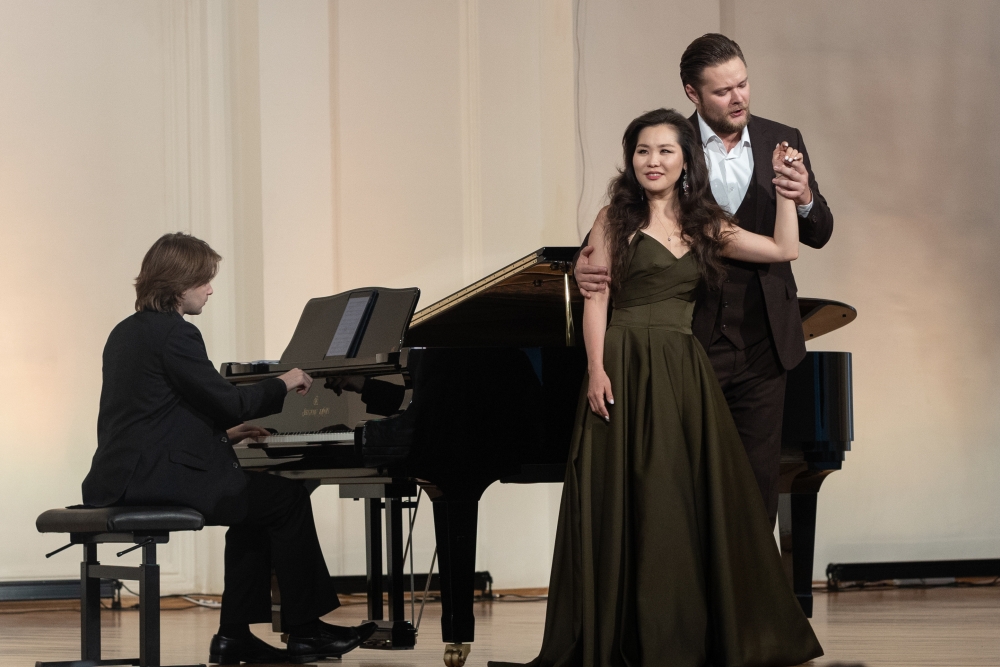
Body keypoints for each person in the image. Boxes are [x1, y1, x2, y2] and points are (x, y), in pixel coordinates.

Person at [490, 109, 822, 666]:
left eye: (665, 151)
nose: (653, 161)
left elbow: (784, 250)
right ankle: (629, 632)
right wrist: (596, 368)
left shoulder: (704, 224)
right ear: (631, 160)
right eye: (643, 151)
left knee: (679, 501)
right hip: (623, 362)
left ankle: (686, 630)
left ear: (685, 160)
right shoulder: (613, 220)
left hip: (683, 369)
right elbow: (596, 299)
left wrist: (788, 191)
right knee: (629, 498)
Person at [80, 233, 376, 664]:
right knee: (287, 498)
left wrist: (225, 435)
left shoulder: (125, 332)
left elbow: (153, 415)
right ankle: (305, 632)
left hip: (123, 477)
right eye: (203, 280)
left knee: (253, 507)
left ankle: (234, 636)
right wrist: (284, 381)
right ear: (178, 283)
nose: (210, 289)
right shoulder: (176, 334)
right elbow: (230, 402)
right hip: (157, 478)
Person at [575, 34, 834, 526]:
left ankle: (752, 578)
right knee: (686, 482)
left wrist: (801, 198)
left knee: (757, 486)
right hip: (690, 341)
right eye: (722, 90)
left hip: (765, 343)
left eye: (743, 84)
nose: (738, 98)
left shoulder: (783, 139)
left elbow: (815, 233)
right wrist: (579, 264)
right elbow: (619, 230)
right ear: (693, 93)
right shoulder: (670, 145)